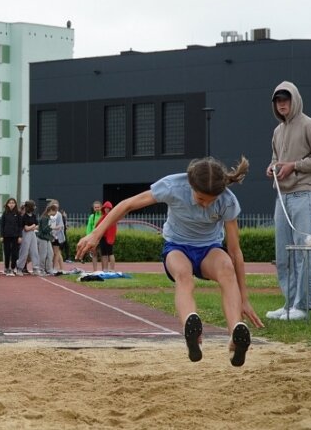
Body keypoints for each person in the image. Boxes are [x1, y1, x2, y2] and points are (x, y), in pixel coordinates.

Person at [77, 156, 264, 366]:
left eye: (211, 201)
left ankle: (235, 337)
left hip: (209, 249)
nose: (205, 205)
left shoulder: (227, 200)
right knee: (184, 276)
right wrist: (96, 234)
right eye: (201, 199)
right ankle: (191, 332)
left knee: (227, 268)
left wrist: (245, 298)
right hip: (177, 246)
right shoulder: (173, 186)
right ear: (191, 185)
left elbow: (235, 251)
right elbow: (126, 205)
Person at [266, 81, 311, 321]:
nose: (282, 103)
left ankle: (302, 306)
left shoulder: (309, 125)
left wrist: (294, 166)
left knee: (303, 250)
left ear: (294, 99)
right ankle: (289, 304)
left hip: (304, 193)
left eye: (286, 99)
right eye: (278, 100)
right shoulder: (277, 131)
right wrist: (273, 167)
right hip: (282, 196)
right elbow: (277, 158)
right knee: (284, 252)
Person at [15, 200, 40, 276]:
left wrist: (32, 227)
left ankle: (35, 268)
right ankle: (19, 267)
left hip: (32, 233)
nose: (35, 207)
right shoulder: (24, 216)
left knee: (34, 250)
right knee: (24, 251)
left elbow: (37, 226)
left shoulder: (33, 215)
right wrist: (33, 226)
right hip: (26, 234)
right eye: (33, 206)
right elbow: (26, 228)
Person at [0, 198, 22, 276]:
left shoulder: (18, 213)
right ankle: (6, 268)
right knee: (7, 252)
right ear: (7, 204)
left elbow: (20, 226)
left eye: (13, 203)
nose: (11, 204)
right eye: (10, 203)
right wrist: (1, 235)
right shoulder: (5, 213)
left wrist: (20, 236)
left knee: (14, 253)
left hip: (15, 236)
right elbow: (2, 225)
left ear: (15, 204)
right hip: (6, 235)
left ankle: (12, 268)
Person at [36, 203, 58, 276]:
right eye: (55, 211)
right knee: (43, 255)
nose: (55, 213)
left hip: (47, 239)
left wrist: (51, 237)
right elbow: (44, 229)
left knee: (50, 254)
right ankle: (41, 269)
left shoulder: (48, 217)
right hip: (42, 239)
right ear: (51, 210)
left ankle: (49, 269)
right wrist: (52, 227)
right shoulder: (45, 218)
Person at [96, 201, 118, 271]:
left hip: (109, 238)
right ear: (103, 209)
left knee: (110, 253)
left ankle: (112, 269)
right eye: (105, 208)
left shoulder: (113, 217)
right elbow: (97, 226)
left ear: (110, 209)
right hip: (103, 237)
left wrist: (110, 238)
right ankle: (105, 269)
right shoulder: (102, 217)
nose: (106, 209)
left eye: (108, 208)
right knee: (104, 254)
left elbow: (113, 229)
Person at [85, 201, 103, 271]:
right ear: (93, 208)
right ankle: (95, 270)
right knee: (94, 254)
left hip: (102, 237)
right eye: (95, 207)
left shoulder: (103, 216)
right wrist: (88, 237)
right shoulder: (92, 217)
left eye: (98, 207)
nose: (97, 208)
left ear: (101, 207)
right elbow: (89, 228)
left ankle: (103, 270)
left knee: (102, 254)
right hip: (94, 238)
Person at [49, 200, 65, 274]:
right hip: (50, 236)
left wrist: (54, 232)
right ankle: (60, 268)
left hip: (57, 236)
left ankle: (55, 267)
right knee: (54, 252)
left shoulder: (58, 215)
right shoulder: (49, 214)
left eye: (57, 205)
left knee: (56, 252)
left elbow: (61, 226)